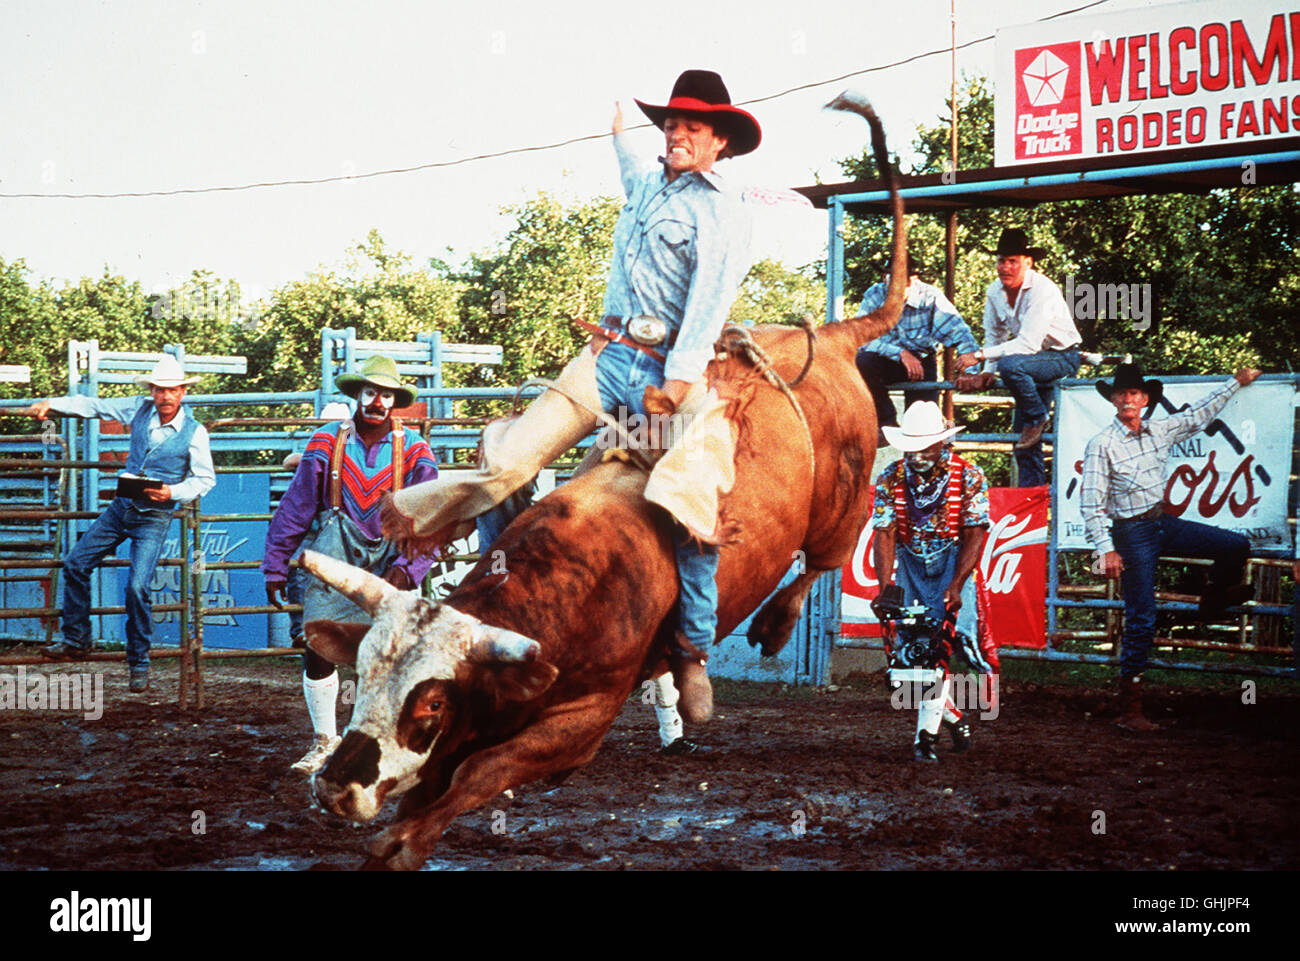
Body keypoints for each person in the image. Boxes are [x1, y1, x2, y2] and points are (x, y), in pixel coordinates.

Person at [383, 69, 761, 726]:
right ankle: (480, 558)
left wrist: (673, 386)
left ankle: (692, 651)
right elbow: (625, 161)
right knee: (507, 458)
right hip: (606, 356)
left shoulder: (722, 211)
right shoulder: (646, 184)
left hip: (672, 370)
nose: (675, 133)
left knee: (690, 495)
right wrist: (617, 130)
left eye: (690, 126)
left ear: (719, 141)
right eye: (669, 123)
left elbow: (708, 305)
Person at [263, 356, 439, 774]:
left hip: (393, 554)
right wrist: (275, 563)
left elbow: (431, 516)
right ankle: (325, 741)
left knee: (389, 652)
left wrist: (409, 568)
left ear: (396, 401)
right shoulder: (326, 442)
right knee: (318, 638)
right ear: (357, 396)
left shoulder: (415, 450)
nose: (378, 401)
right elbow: (297, 505)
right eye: (370, 392)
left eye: (387, 394)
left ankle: (382, 744)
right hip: (333, 549)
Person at [1081, 362, 1261, 731]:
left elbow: (1198, 415)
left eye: (1134, 393)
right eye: (1121, 393)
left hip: (1159, 523)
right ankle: (1130, 708)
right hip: (1130, 533)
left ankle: (1214, 597)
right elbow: (1091, 502)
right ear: (1113, 400)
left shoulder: (1159, 430)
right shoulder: (1102, 443)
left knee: (1234, 545)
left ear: (1145, 399)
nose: (1128, 399)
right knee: (1143, 615)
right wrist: (1105, 547)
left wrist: (1235, 383)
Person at [30, 355, 216, 692]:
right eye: (159, 390)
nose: (165, 397)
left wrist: (173, 491)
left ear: (183, 392)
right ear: (153, 391)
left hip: (154, 517)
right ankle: (76, 640)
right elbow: (94, 406)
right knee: (76, 564)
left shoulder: (195, 432)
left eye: (172, 390)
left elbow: (205, 479)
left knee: (136, 587)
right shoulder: (138, 408)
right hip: (121, 508)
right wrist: (53, 404)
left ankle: (139, 662)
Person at [868, 402, 998, 761]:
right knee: (914, 653)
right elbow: (884, 532)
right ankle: (950, 720)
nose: (919, 454)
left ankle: (926, 738)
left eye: (926, 446)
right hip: (911, 563)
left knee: (941, 646)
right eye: (912, 447)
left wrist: (956, 584)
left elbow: (974, 533)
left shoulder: (969, 475)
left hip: (953, 563)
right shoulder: (891, 477)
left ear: (942, 443)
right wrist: (885, 587)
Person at [954, 228, 1083, 487]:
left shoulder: (1043, 290)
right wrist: (987, 369)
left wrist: (979, 356)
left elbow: (1028, 343)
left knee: (1011, 366)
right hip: (1029, 364)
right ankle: (1031, 500)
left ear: (1027, 262)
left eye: (1012, 261)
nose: (1005, 267)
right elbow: (995, 333)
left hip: (1061, 357)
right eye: (1001, 260)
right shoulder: (994, 291)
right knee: (1023, 444)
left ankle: (1037, 418)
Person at [855, 251, 977, 443]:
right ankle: (885, 422)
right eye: (889, 278)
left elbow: (960, 333)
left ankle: (927, 463)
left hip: (922, 362)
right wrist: (900, 353)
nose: (892, 287)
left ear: (912, 280)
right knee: (862, 362)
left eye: (900, 280)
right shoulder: (874, 295)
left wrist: (971, 371)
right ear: (884, 278)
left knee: (922, 431)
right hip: (886, 362)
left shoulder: (931, 297)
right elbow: (861, 338)